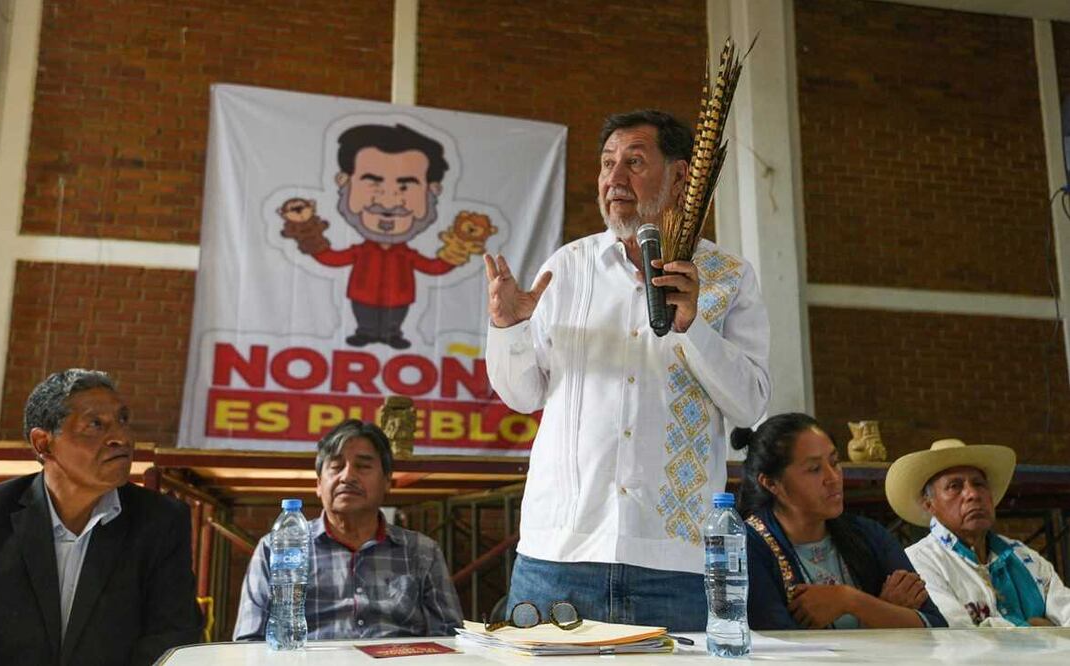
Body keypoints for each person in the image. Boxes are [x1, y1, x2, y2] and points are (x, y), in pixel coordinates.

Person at [484, 109, 771, 630]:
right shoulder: (567, 267)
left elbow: (750, 404)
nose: (613, 179)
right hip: (558, 558)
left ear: (680, 176)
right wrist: (507, 328)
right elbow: (522, 395)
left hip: (675, 564)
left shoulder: (728, 276)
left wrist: (693, 328)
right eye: (606, 163)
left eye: (634, 162)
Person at [0, 369, 202, 665]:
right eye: (95, 424)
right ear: (43, 443)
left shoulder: (161, 521)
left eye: (122, 420)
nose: (121, 438)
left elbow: (172, 637)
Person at [233, 419, 463, 640]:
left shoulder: (422, 552)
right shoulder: (277, 548)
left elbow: (450, 638)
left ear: (387, 481)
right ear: (318, 484)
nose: (347, 476)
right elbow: (248, 641)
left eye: (363, 466)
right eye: (336, 466)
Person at [736, 413, 947, 630]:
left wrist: (851, 601)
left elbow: (936, 627)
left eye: (834, 462)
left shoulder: (868, 535)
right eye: (814, 469)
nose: (833, 478)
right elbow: (783, 643)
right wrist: (883, 611)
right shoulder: (745, 548)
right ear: (771, 483)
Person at [282, 123, 471, 349]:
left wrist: (458, 249)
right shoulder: (361, 251)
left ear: (433, 190)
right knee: (364, 315)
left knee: (395, 317)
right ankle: (366, 332)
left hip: (399, 298)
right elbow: (331, 259)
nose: (388, 202)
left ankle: (392, 333)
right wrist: (307, 232)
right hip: (362, 296)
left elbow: (433, 267)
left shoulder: (406, 254)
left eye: (405, 187)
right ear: (343, 182)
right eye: (373, 183)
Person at [886, 438, 1070, 627]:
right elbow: (958, 634)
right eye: (954, 486)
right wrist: (1041, 627)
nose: (972, 494)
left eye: (979, 484)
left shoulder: (1026, 558)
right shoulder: (920, 562)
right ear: (929, 504)